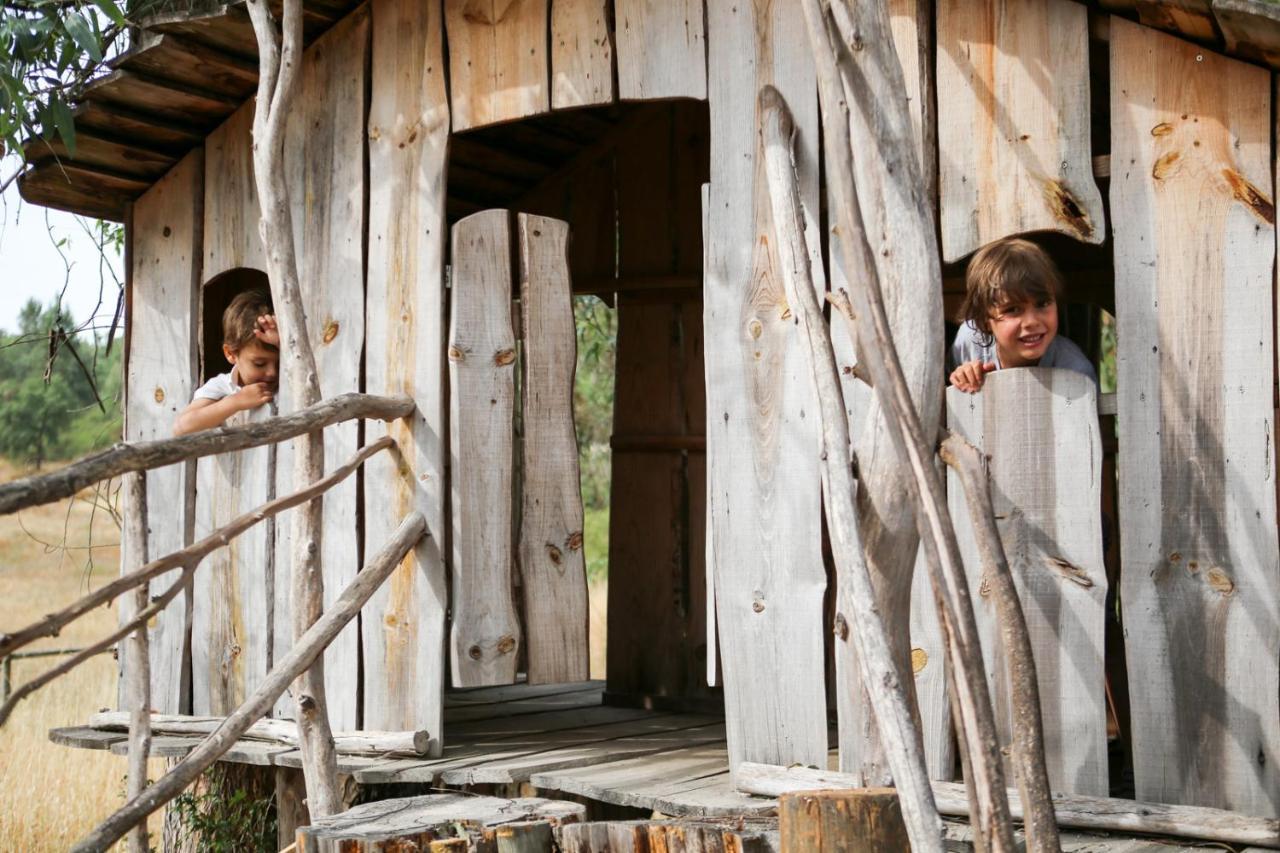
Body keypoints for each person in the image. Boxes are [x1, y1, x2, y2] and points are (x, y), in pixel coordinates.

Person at [948, 237, 1096, 393]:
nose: (1031, 322)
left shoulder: (1075, 371)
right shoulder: (969, 341)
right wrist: (961, 376)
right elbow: (943, 388)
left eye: (1042, 304)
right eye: (1012, 309)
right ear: (984, 321)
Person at [174, 288, 280, 435]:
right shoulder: (223, 387)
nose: (272, 372)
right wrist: (236, 401)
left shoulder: (287, 380)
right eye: (259, 364)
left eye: (280, 363)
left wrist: (283, 344)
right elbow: (181, 428)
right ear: (230, 354)